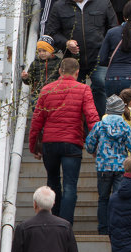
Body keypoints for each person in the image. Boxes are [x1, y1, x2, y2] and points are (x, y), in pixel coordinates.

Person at [27, 58, 100, 223]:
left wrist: (33, 147)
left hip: (50, 144)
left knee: (52, 182)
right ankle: (65, 225)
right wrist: (96, 145)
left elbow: (36, 121)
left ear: (59, 71)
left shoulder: (46, 90)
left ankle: (52, 220)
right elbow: (92, 118)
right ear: (77, 72)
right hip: (72, 144)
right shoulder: (84, 89)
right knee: (70, 186)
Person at [44, 0, 118, 114]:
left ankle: (100, 122)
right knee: (72, 94)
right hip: (72, 60)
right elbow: (51, 33)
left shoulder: (103, 2)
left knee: (101, 86)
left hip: (98, 57)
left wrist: (108, 52)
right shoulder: (59, 6)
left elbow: (113, 29)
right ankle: (77, 125)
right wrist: (66, 43)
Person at [85, 94, 131, 234]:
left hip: (103, 166)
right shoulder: (124, 125)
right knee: (119, 198)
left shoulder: (100, 125)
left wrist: (94, 151)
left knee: (103, 198)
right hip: (120, 167)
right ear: (121, 109)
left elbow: (89, 144)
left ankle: (103, 228)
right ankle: (117, 228)